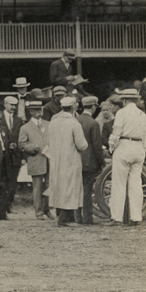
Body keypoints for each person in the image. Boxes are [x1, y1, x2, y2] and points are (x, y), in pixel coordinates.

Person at [108, 87, 146, 226]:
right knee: (136, 184)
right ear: (136, 100)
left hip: (124, 145)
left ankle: (117, 218)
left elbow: (116, 133)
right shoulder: (142, 115)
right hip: (139, 148)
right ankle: (136, 217)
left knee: (119, 183)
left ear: (125, 100)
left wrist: (111, 147)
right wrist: (142, 150)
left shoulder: (122, 113)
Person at [47, 94, 88, 226]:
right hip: (71, 159)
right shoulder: (74, 123)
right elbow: (81, 144)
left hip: (56, 160)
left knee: (59, 185)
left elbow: (48, 141)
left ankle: (64, 216)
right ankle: (64, 219)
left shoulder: (53, 122)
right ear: (72, 107)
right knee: (70, 187)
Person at [17, 99, 53, 220]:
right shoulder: (25, 127)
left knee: (49, 185)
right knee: (37, 187)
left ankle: (47, 209)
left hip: (49, 160)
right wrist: (32, 147)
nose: (39, 112)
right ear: (31, 111)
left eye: (40, 109)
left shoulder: (48, 124)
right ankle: (38, 211)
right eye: (36, 110)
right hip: (36, 159)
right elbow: (21, 144)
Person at [76, 95, 105, 225]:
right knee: (87, 191)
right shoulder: (93, 123)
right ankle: (87, 218)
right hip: (89, 162)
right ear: (93, 107)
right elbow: (97, 146)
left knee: (77, 189)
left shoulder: (75, 120)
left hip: (76, 160)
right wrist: (102, 162)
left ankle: (77, 217)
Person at [0, 95, 23, 212]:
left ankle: (9, 204)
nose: (13, 107)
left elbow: (21, 138)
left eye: (15, 105)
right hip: (3, 155)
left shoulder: (18, 120)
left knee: (13, 182)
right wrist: (7, 145)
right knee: (3, 181)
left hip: (16, 155)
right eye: (11, 104)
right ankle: (0, 205)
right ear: (5, 104)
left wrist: (22, 156)